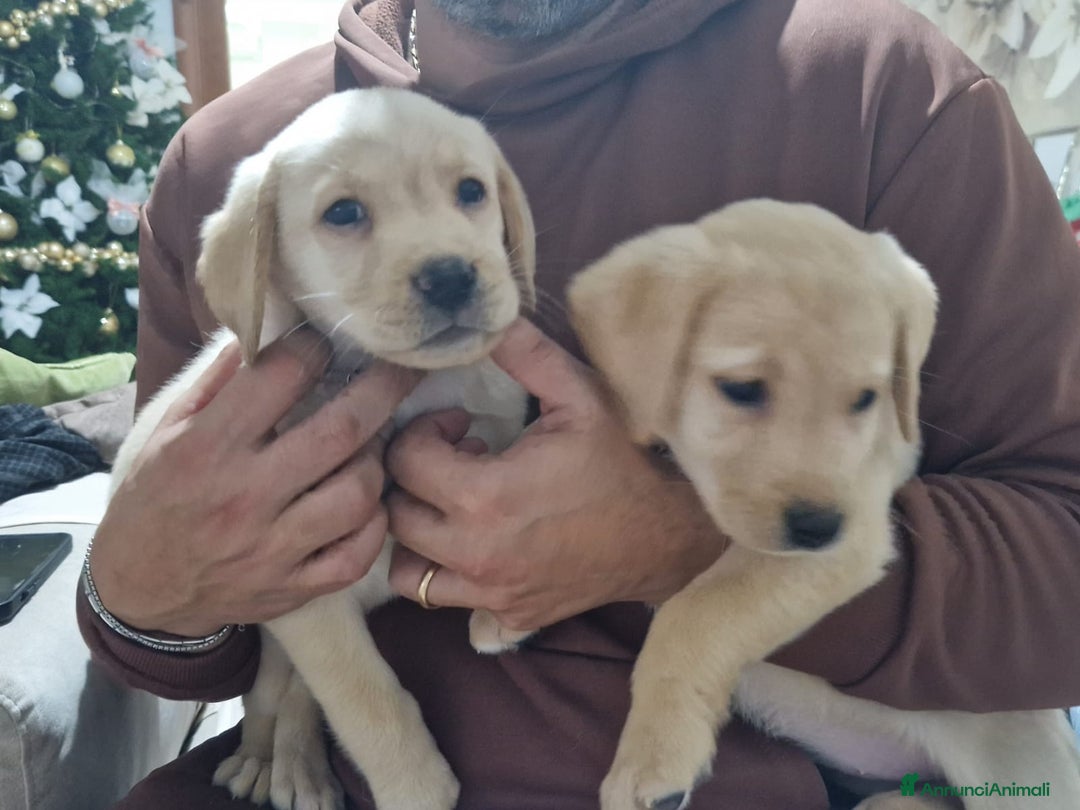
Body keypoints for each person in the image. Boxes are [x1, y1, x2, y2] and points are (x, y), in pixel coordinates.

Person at [78, 1, 1080, 808]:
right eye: (346, 218)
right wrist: (136, 593)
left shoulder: (881, 85)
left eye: (472, 199)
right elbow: (190, 650)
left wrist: (683, 545)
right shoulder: (230, 162)